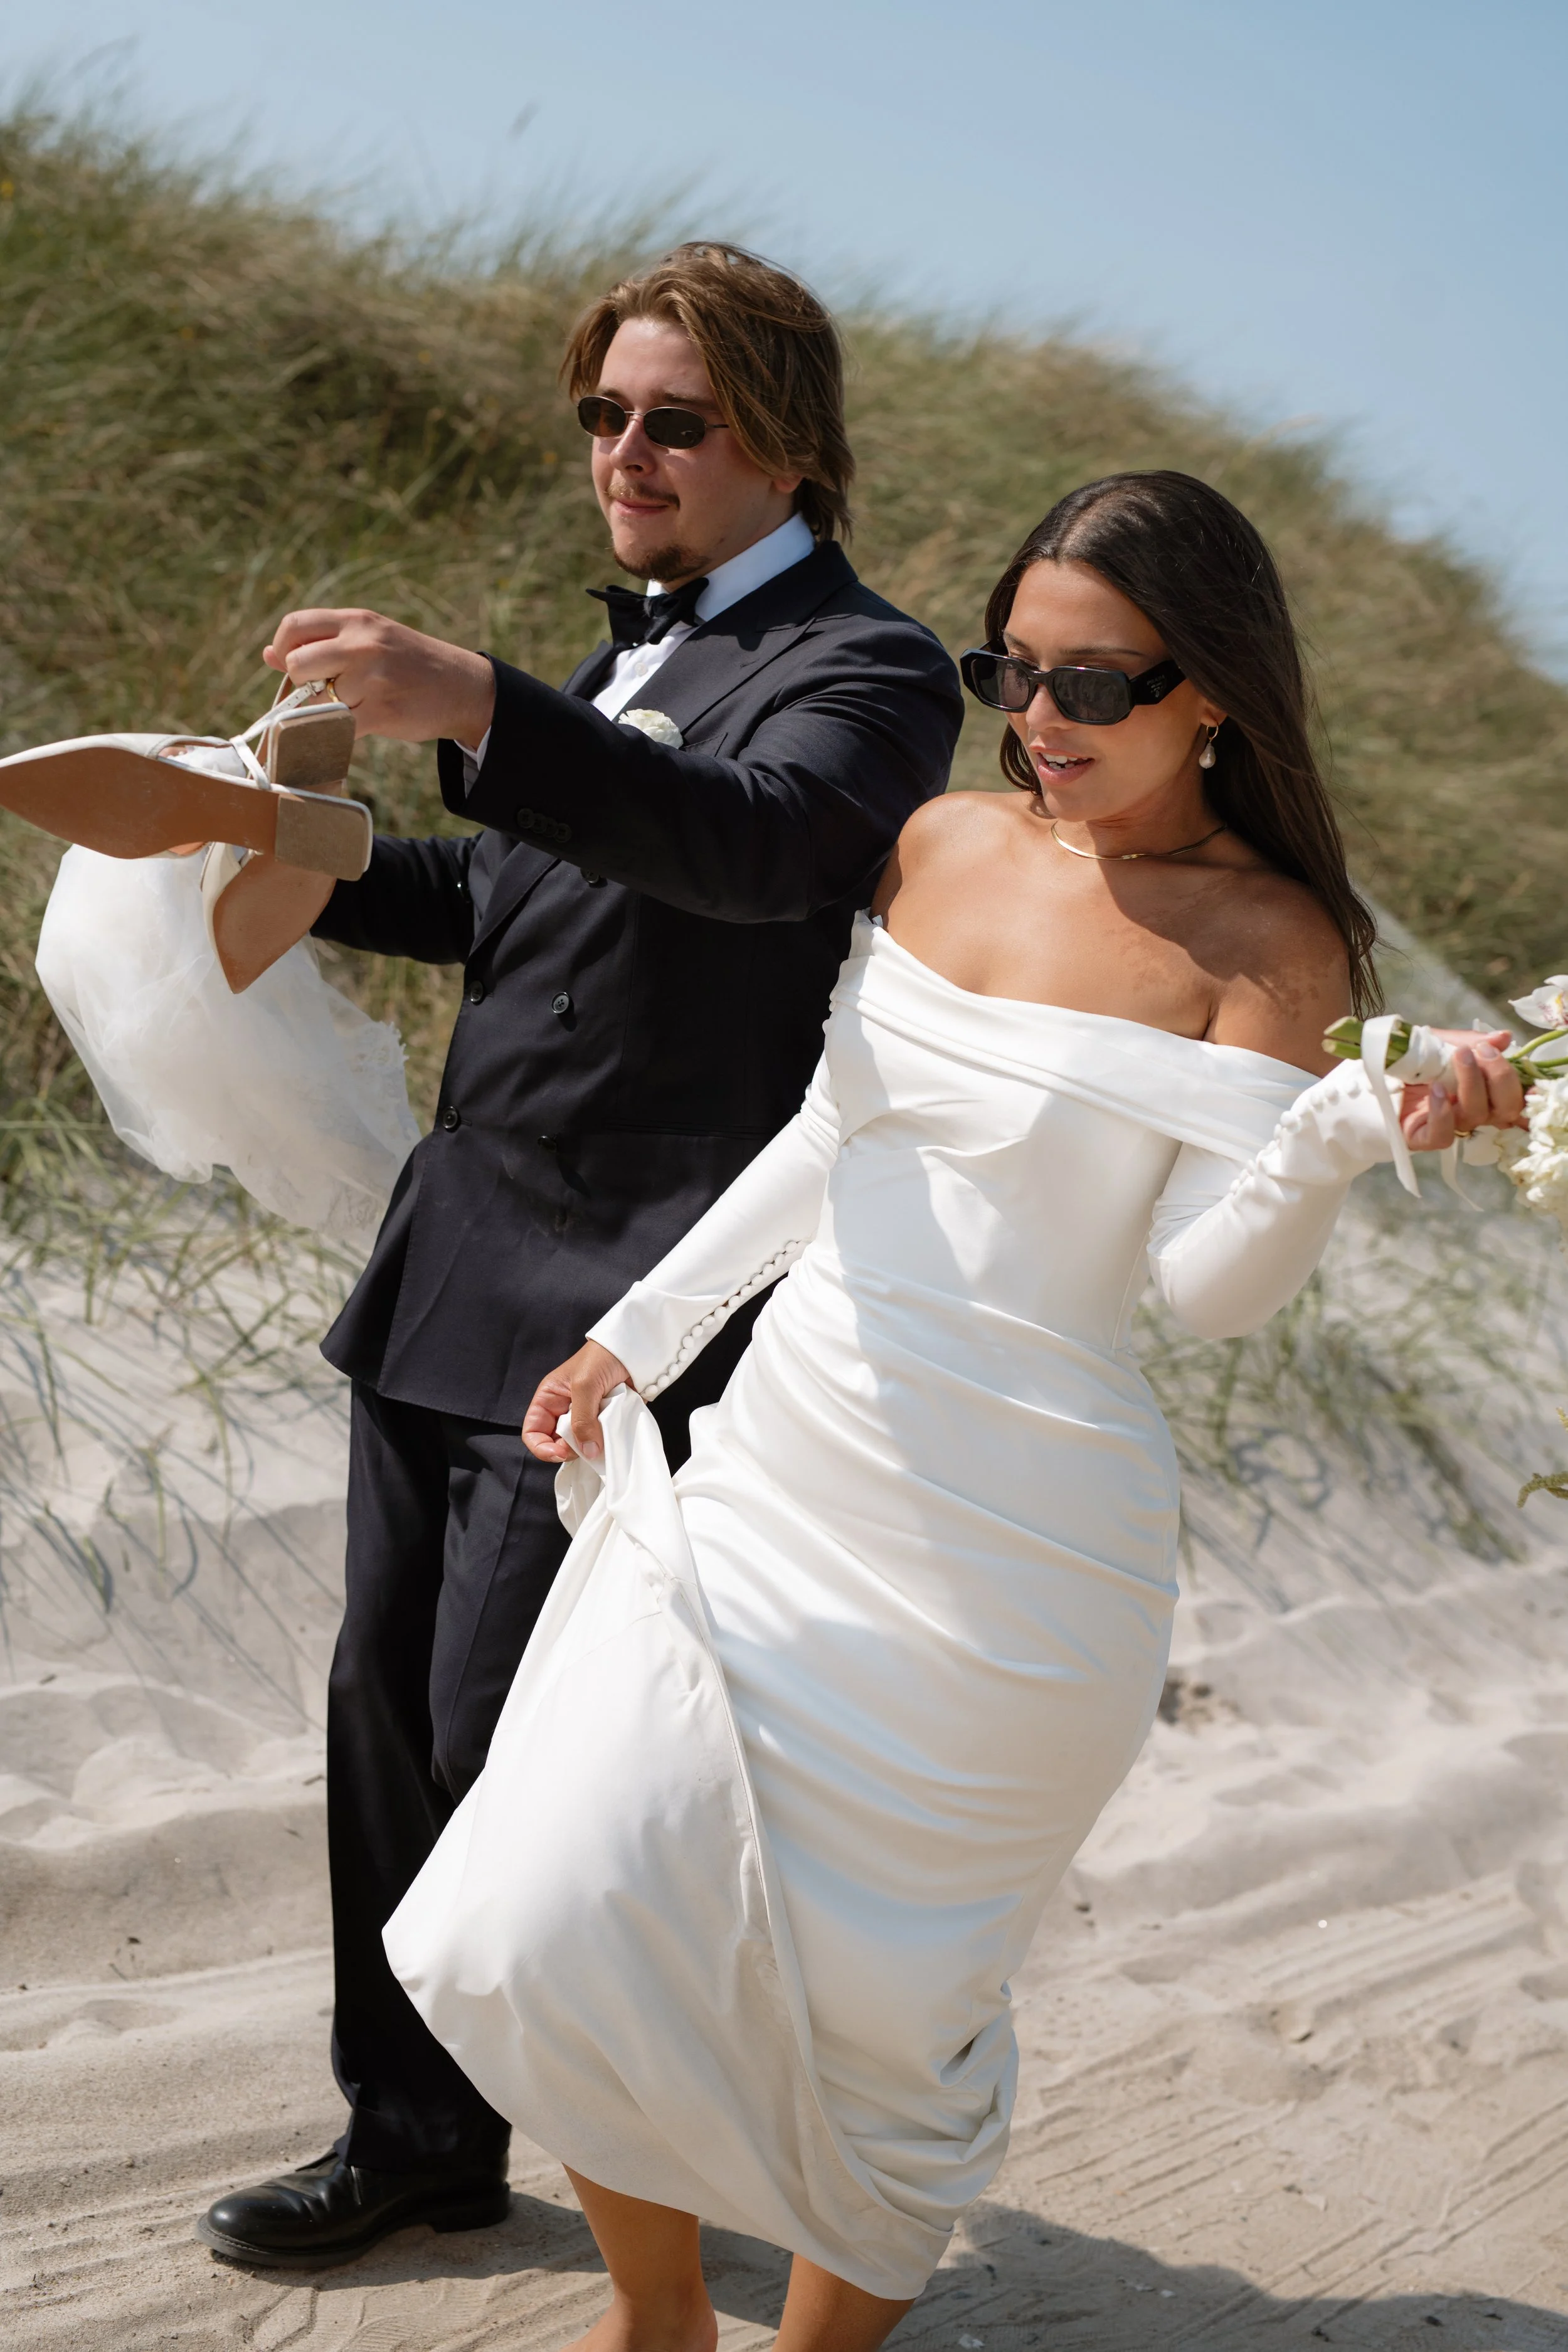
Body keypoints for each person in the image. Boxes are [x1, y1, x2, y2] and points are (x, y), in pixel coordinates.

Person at [381, 470, 1527, 2352]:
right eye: (1015, 672)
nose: (1040, 720)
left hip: (1017, 1561)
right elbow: (835, 1133)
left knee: (882, 2017)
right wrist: (639, 1335)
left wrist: (1333, 1134)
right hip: (782, 1466)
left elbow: (1202, 1290)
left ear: (1211, 693)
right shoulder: (939, 840)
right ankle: (654, 2315)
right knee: (558, 1903)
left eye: (1096, 684)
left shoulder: (1270, 942)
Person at [198, 244, 961, 2268]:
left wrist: (478, 701)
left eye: (673, 421)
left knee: (511, 1746)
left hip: (633, 1301)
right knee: (384, 1715)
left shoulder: (872, 671)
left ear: (787, 441)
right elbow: (517, 904)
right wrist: (294, 850)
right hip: (455, 1256)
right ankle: (415, 2136)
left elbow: (744, 844)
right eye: (604, 414)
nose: (624, 450)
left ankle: (715, 2129)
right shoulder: (621, 659)